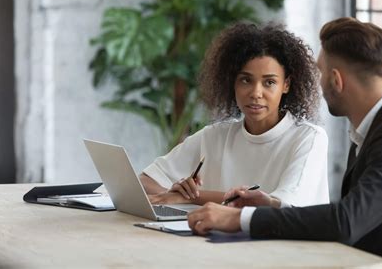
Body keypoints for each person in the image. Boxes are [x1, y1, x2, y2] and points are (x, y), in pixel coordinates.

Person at [187, 17, 382, 269]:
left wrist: (237, 219)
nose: (317, 84)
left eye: (320, 73)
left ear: (336, 79)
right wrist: (272, 205)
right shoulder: (377, 127)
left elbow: (346, 221)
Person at [140, 22, 329, 208]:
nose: (256, 93)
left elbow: (275, 206)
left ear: (286, 85)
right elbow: (144, 181)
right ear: (233, 83)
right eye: (246, 80)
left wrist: (192, 197)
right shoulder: (215, 136)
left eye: (269, 82)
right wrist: (175, 192)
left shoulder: (309, 138)